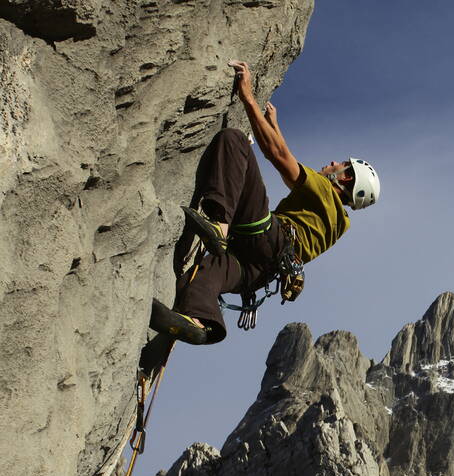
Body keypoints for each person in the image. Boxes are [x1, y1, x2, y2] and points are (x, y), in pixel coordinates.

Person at [149, 60, 380, 345]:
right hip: (261, 271)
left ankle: (219, 226)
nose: (333, 162)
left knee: (235, 141)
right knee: (209, 271)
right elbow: (288, 168)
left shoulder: (322, 189)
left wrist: (247, 96)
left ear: (345, 180)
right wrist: (274, 125)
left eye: (341, 165)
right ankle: (199, 320)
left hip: (268, 237)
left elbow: (278, 155)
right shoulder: (338, 223)